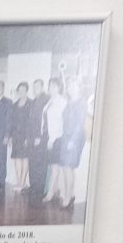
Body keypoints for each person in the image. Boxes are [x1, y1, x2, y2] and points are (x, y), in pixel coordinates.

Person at [53, 78, 88, 211]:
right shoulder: (69, 102)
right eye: (69, 86)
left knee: (68, 167)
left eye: (73, 86)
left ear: (79, 87)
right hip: (65, 137)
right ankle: (70, 194)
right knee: (65, 167)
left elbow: (79, 124)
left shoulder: (81, 103)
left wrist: (72, 140)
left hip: (75, 138)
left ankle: (67, 198)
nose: (70, 88)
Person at [42, 77, 67, 206]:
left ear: (59, 87)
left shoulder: (61, 101)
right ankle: (54, 189)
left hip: (56, 138)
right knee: (52, 167)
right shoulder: (50, 101)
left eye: (53, 86)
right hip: (47, 136)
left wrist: (52, 139)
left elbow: (59, 123)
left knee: (54, 167)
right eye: (50, 85)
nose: (51, 88)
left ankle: (50, 193)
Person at [25, 78, 50, 203]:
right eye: (34, 87)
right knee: (32, 162)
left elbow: (44, 120)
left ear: (42, 87)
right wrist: (27, 137)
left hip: (40, 138)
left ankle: (39, 189)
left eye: (37, 87)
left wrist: (39, 137)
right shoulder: (33, 101)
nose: (35, 89)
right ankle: (33, 186)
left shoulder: (47, 100)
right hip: (31, 137)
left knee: (40, 163)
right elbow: (30, 121)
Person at [9, 81, 31, 191]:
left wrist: (28, 137)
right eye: (19, 90)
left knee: (25, 158)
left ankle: (23, 182)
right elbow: (11, 122)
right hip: (16, 136)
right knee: (17, 158)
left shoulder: (31, 104)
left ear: (27, 91)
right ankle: (19, 182)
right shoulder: (14, 105)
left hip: (26, 136)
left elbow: (32, 122)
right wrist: (10, 136)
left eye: (23, 90)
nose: (21, 92)